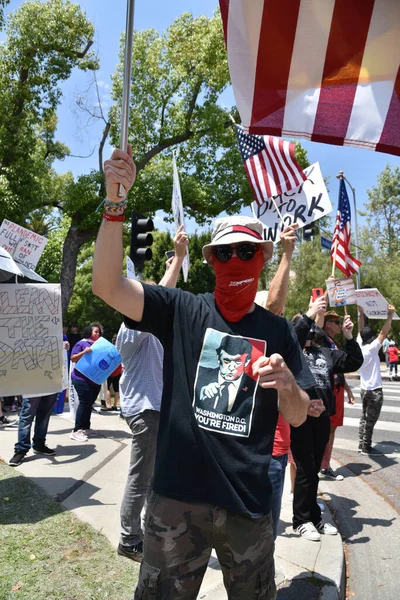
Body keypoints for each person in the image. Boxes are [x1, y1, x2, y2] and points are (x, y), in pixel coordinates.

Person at [92, 147, 315, 600]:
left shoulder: (278, 331)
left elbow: (297, 416)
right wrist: (115, 204)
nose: (236, 258)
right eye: (225, 251)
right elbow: (108, 285)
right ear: (211, 259)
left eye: (246, 251)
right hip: (176, 503)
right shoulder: (182, 309)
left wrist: (289, 385)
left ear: (262, 258)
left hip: (247, 511)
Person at [117, 226, 188, 563]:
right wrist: (176, 263)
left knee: (152, 477)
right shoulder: (132, 327)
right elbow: (156, 297)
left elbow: (159, 299)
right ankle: (130, 540)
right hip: (145, 410)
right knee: (141, 477)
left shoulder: (147, 327)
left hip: (156, 409)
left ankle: (146, 531)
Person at [291, 304, 363, 541]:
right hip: (301, 417)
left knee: (313, 471)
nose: (313, 333)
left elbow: (354, 361)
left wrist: (350, 335)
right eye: (310, 330)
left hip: (322, 418)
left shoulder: (327, 353)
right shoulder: (295, 352)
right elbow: (293, 336)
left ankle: (313, 517)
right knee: (304, 470)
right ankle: (301, 520)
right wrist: (311, 315)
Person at [319, 310, 356, 481]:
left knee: (332, 429)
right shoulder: (323, 340)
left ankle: (324, 464)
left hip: (338, 389)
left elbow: (339, 367)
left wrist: (348, 390)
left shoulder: (333, 342)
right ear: (327, 324)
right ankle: (323, 466)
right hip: (329, 390)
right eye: (336, 322)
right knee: (326, 429)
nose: (339, 325)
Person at [358, 305, 396, 455]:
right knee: (371, 420)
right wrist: (390, 315)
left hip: (363, 389)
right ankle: (366, 447)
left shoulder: (359, 345)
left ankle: (361, 444)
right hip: (374, 390)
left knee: (364, 416)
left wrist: (361, 314)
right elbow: (383, 332)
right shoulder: (372, 348)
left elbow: (361, 331)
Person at [70, 322, 103, 442]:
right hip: (81, 379)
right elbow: (73, 358)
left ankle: (85, 427)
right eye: (95, 331)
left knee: (89, 403)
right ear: (89, 332)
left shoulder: (100, 345)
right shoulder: (81, 343)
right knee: (84, 403)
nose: (97, 333)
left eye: (99, 332)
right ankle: (76, 430)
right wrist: (84, 352)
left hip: (95, 379)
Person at [8, 393, 58, 466]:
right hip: (33, 386)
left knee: (44, 416)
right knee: (27, 416)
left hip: (52, 386)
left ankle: (39, 444)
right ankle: (21, 449)